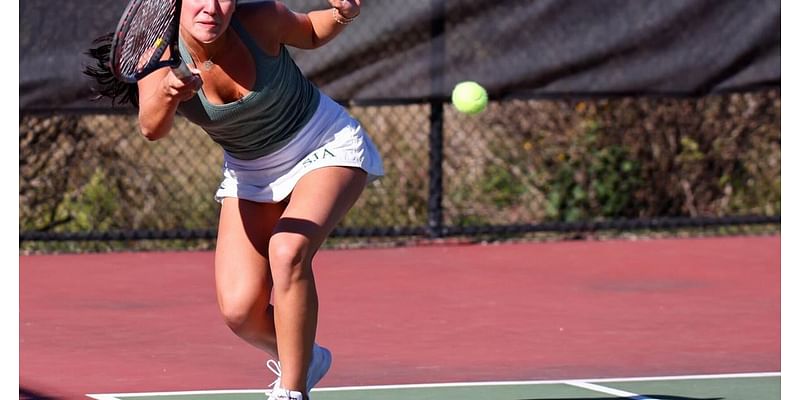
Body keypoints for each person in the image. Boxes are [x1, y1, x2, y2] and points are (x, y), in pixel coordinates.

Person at [84, 1, 383, 399]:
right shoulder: (158, 52)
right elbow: (151, 128)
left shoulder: (258, 20)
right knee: (241, 312)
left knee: (287, 250)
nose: (211, 7)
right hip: (250, 171)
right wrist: (170, 91)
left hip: (323, 143)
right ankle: (304, 359)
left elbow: (310, 30)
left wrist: (345, 13)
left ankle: (292, 392)